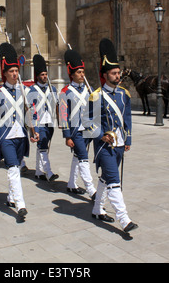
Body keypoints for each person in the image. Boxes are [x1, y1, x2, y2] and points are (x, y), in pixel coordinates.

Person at [83, 38, 138, 233]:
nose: (118, 76)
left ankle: (97, 209)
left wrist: (128, 139)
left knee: (106, 178)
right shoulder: (96, 96)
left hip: (120, 144)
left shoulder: (124, 95)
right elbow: (87, 123)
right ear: (105, 75)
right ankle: (124, 220)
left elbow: (127, 119)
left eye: (118, 73)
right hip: (104, 146)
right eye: (114, 73)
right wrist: (100, 136)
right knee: (114, 180)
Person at [0, 43, 39, 220]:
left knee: (15, 167)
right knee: (13, 169)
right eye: (11, 71)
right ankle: (20, 204)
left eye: (16, 70)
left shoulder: (25, 90)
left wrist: (34, 130)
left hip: (21, 136)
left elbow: (31, 112)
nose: (15, 74)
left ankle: (10, 197)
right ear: (5, 73)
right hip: (6, 136)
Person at [59, 49, 97, 200]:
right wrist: (67, 136)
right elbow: (63, 116)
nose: (82, 75)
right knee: (83, 157)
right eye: (79, 72)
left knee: (77, 156)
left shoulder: (89, 89)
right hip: (75, 130)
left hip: (88, 129)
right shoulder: (64, 92)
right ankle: (91, 189)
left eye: (83, 72)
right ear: (72, 74)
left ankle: (71, 184)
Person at [28, 54, 59, 182]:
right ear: (37, 76)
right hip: (38, 122)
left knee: (43, 146)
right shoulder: (32, 90)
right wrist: (33, 128)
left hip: (49, 121)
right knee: (42, 146)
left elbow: (57, 105)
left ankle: (38, 171)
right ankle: (49, 172)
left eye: (46, 74)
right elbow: (30, 110)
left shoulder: (53, 89)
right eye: (42, 75)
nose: (45, 76)